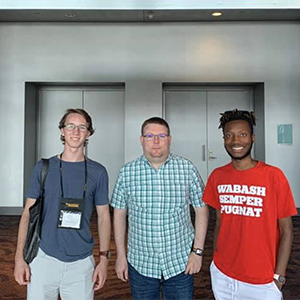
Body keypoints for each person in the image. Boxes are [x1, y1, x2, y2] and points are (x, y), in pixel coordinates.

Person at [14, 108, 111, 300]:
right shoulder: (43, 168)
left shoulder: (98, 172)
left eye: (82, 127)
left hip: (81, 264)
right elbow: (27, 214)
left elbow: (104, 217)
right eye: (70, 126)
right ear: (62, 130)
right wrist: (19, 258)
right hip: (43, 259)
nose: (76, 132)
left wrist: (104, 260)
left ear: (89, 133)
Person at [111, 116, 209, 300]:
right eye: (149, 136)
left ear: (169, 139)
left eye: (161, 136)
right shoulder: (127, 172)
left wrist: (197, 252)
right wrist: (121, 256)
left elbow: (201, 210)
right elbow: (119, 215)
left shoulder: (186, 169)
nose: (156, 141)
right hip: (141, 263)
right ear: (142, 140)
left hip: (180, 263)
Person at [203, 109, 297, 300]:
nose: (236, 141)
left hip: (263, 281)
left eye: (242, 134)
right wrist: (215, 261)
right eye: (229, 135)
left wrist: (279, 276)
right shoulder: (217, 176)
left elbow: (287, 230)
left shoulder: (274, 176)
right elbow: (219, 223)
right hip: (223, 274)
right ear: (224, 140)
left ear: (253, 138)